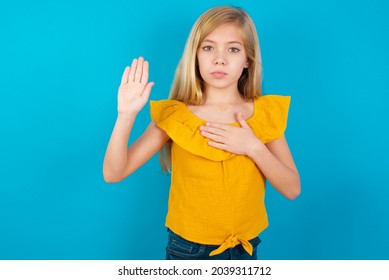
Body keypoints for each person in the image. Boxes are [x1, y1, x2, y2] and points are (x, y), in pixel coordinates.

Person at [103, 5, 300, 260]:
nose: (220, 59)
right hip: (188, 251)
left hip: (245, 250)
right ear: (195, 55)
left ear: (247, 59)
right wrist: (125, 115)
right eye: (208, 47)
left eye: (233, 49)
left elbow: (292, 189)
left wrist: (253, 147)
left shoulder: (263, 115)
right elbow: (113, 173)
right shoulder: (177, 116)